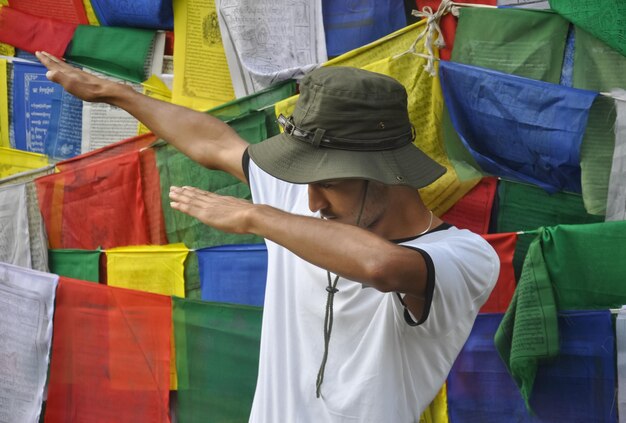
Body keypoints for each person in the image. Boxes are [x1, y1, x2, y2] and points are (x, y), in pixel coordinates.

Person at [37, 51, 500, 422]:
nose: (313, 201)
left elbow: (381, 267)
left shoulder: (465, 256)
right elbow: (214, 143)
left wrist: (257, 217)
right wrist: (117, 94)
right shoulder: (302, 199)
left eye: (329, 184)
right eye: (307, 183)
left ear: (384, 174)